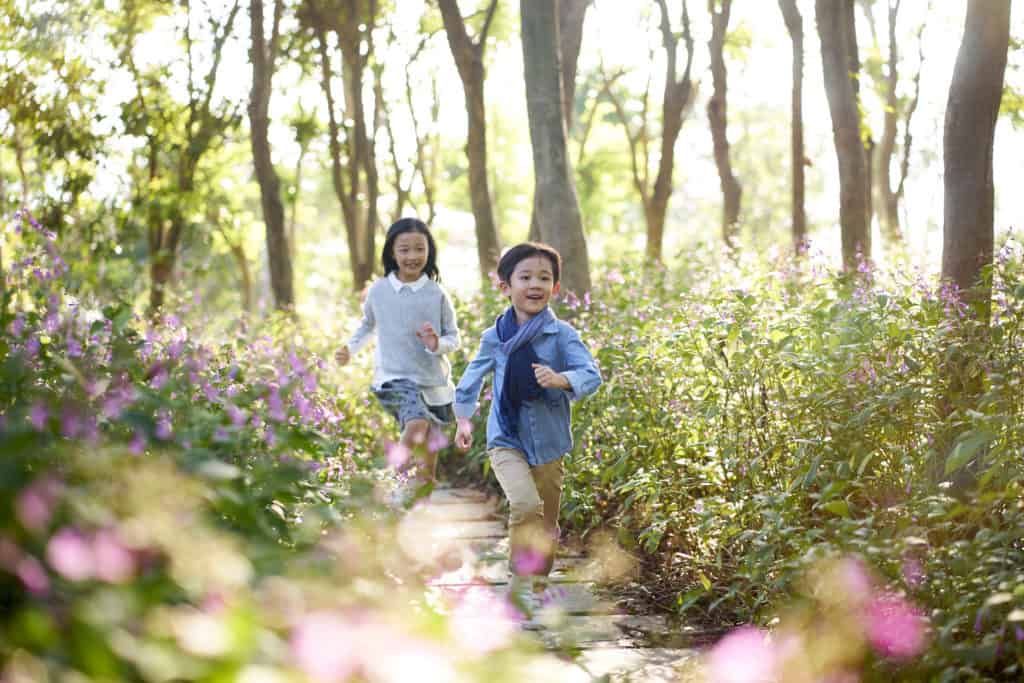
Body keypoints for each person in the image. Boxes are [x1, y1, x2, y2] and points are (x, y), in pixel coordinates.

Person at [453, 242, 602, 617]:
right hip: (506, 436)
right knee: (525, 504)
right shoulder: (495, 337)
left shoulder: (562, 334)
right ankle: (519, 581)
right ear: (505, 286)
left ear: (554, 288)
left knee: (546, 521)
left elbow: (591, 374)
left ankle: (539, 580)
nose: (535, 284)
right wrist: (463, 418)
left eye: (544, 278)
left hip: (550, 440)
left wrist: (561, 379)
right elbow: (471, 379)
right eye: (525, 277)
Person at [336, 218, 460, 497]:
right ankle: (390, 484)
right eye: (404, 249)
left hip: (433, 382)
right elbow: (368, 325)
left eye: (419, 249)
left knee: (428, 464)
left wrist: (436, 343)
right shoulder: (379, 291)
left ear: (430, 251)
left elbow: (454, 337)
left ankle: (416, 520)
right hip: (394, 378)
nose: (412, 256)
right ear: (392, 252)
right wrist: (349, 349)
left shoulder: (436, 294)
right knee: (416, 424)